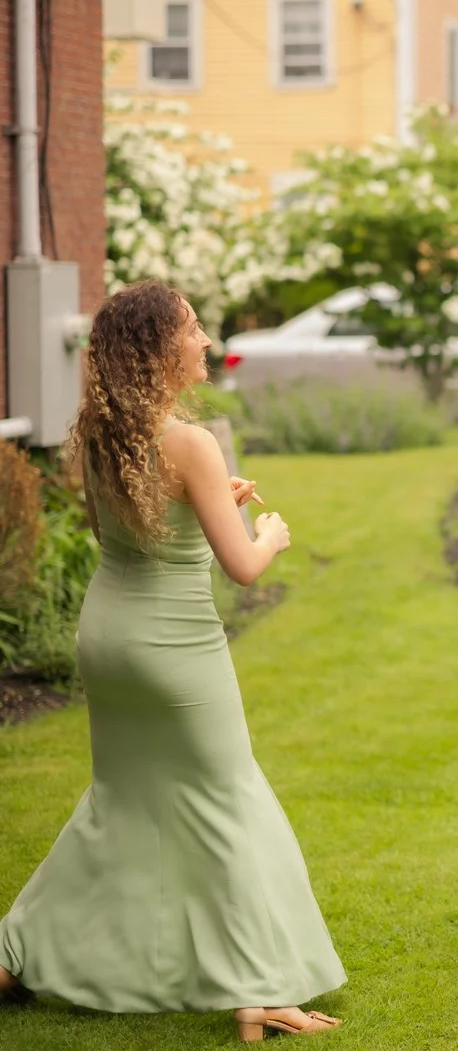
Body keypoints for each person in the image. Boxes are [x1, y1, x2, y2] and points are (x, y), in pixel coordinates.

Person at [0, 281, 345, 1043]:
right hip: (172, 649)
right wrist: (271, 532)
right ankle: (258, 993)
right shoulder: (190, 441)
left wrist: (214, 497)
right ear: (160, 349)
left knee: (119, 802)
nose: (201, 341)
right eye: (190, 330)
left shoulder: (99, 432)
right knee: (227, 799)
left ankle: (13, 954)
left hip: (109, 635)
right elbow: (243, 569)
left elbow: (122, 530)